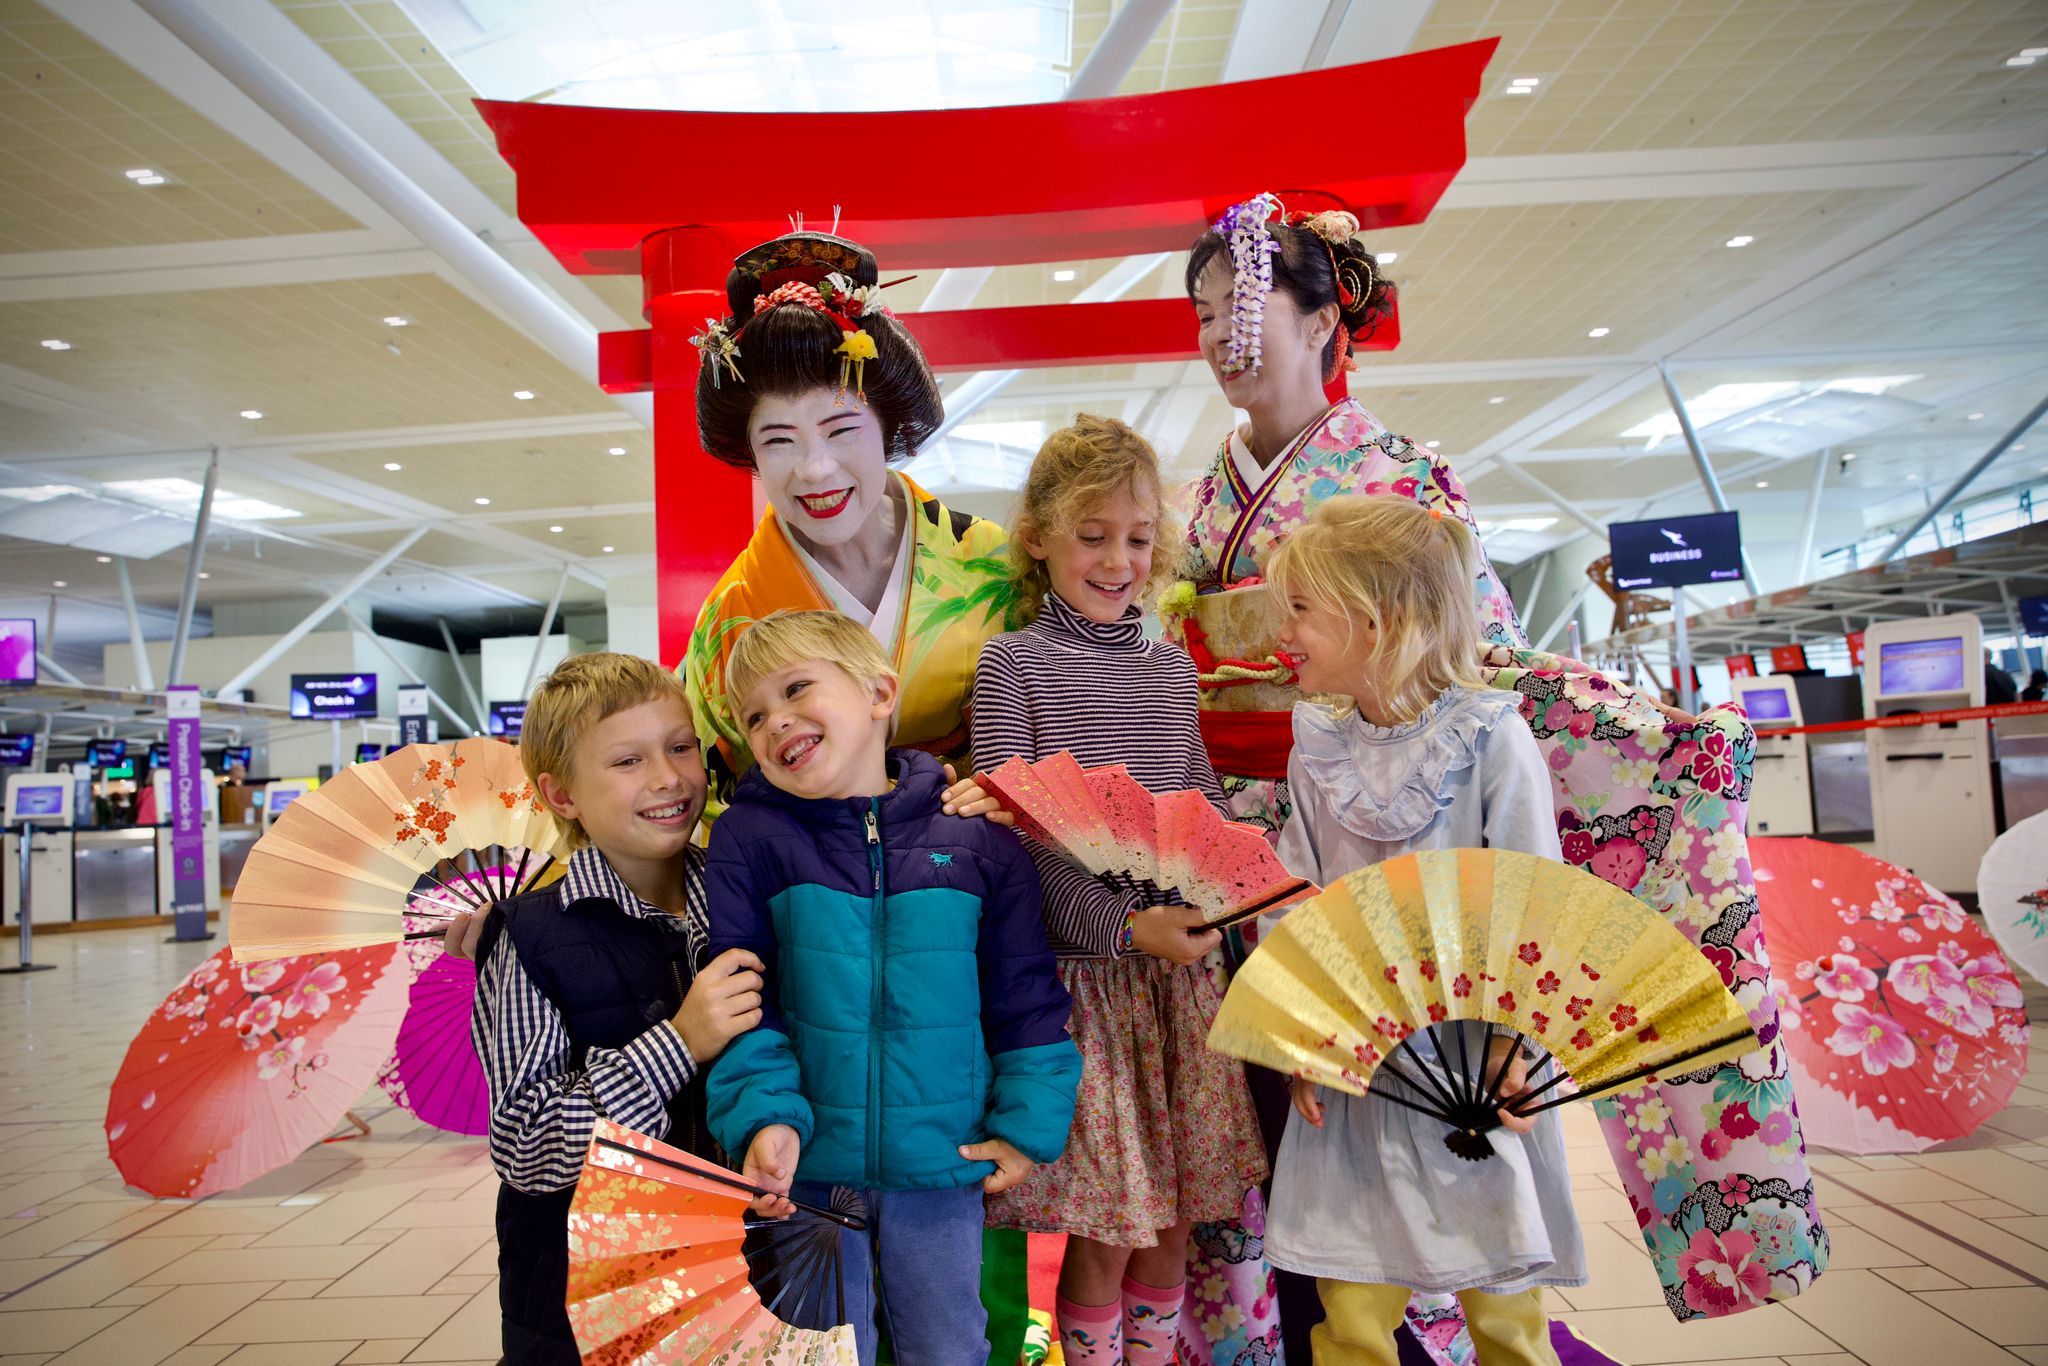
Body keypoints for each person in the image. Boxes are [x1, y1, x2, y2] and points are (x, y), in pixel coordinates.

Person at [1173, 194, 1828, 1356]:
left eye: (1241, 308)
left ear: (1324, 315)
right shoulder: (1202, 495)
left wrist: (1643, 734)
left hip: (1404, 845)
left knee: (1436, 1148)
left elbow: (1467, 664)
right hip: (1268, 842)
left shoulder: (1400, 476)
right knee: (1277, 1136)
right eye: (1203, 314)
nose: (1220, 337)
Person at [703, 610, 1082, 1366]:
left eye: (797, 688)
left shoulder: (980, 840)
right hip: (807, 1168)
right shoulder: (748, 840)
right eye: (752, 716)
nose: (775, 721)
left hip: (942, 1162)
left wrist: (1026, 1127)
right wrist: (763, 1119)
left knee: (949, 1347)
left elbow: (1026, 998)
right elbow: (744, 1001)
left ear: (880, 694)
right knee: (823, 1353)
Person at [968, 416, 1267, 1365]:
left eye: (1138, 540)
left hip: (1185, 979)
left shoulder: (1169, 663)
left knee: (1176, 1216)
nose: (1118, 560)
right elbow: (1014, 843)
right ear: (1039, 537)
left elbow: (1199, 802)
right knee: (1105, 1227)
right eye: (1092, 536)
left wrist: (1238, 886)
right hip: (1085, 984)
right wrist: (1126, 926)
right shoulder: (1011, 665)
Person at [1263, 496, 1585, 1365]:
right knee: (1353, 1306)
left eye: (1299, 608)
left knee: (1504, 1302)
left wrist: (1518, 1046)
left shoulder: (1490, 737)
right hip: (1358, 1061)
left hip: (1472, 1059)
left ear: (1380, 619)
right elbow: (1298, 895)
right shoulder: (1315, 745)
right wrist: (1301, 1034)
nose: (1279, 630)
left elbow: (1532, 900)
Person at [470, 652, 768, 1365]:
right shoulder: (530, 939)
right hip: (590, 1300)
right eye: (627, 761)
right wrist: (679, 1042)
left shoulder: (750, 898)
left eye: (680, 747)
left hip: (750, 1270)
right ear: (562, 795)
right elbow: (527, 1140)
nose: (668, 778)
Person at [682, 230, 1016, 824]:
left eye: (841, 430)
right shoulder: (732, 613)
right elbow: (712, 803)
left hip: (989, 865)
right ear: (750, 455)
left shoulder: (989, 560)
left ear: (887, 426)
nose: (815, 469)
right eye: (779, 440)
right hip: (811, 884)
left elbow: (1067, 714)